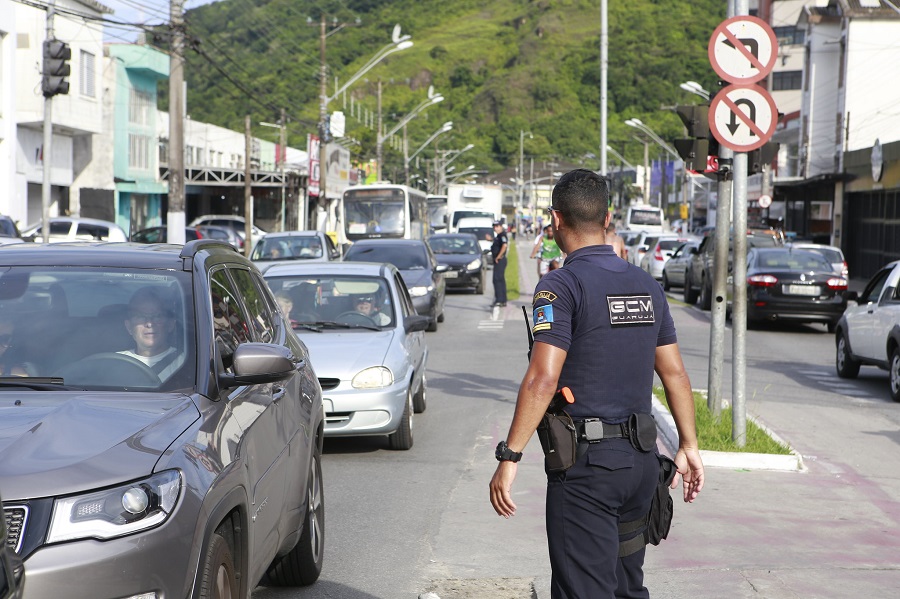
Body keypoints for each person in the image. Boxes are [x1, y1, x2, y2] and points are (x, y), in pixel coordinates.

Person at [489, 169, 704, 599]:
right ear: (607, 219)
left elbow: (542, 378)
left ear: (555, 220)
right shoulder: (646, 285)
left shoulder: (560, 286)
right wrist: (689, 445)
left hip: (588, 472)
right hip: (643, 466)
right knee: (627, 589)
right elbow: (675, 373)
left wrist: (510, 456)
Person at [119, 287, 184, 382]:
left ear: (170, 324)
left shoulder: (184, 364)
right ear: (129, 327)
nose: (149, 324)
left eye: (157, 316)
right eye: (140, 316)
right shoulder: (115, 363)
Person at [490, 220, 508, 307]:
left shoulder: (502, 235)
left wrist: (498, 256)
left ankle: (499, 300)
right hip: (499, 260)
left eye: (497, 226)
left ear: (501, 226)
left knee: (497, 280)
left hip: (500, 260)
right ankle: (502, 300)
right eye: (494, 226)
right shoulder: (498, 236)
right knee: (499, 279)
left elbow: (504, 245)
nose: (495, 228)